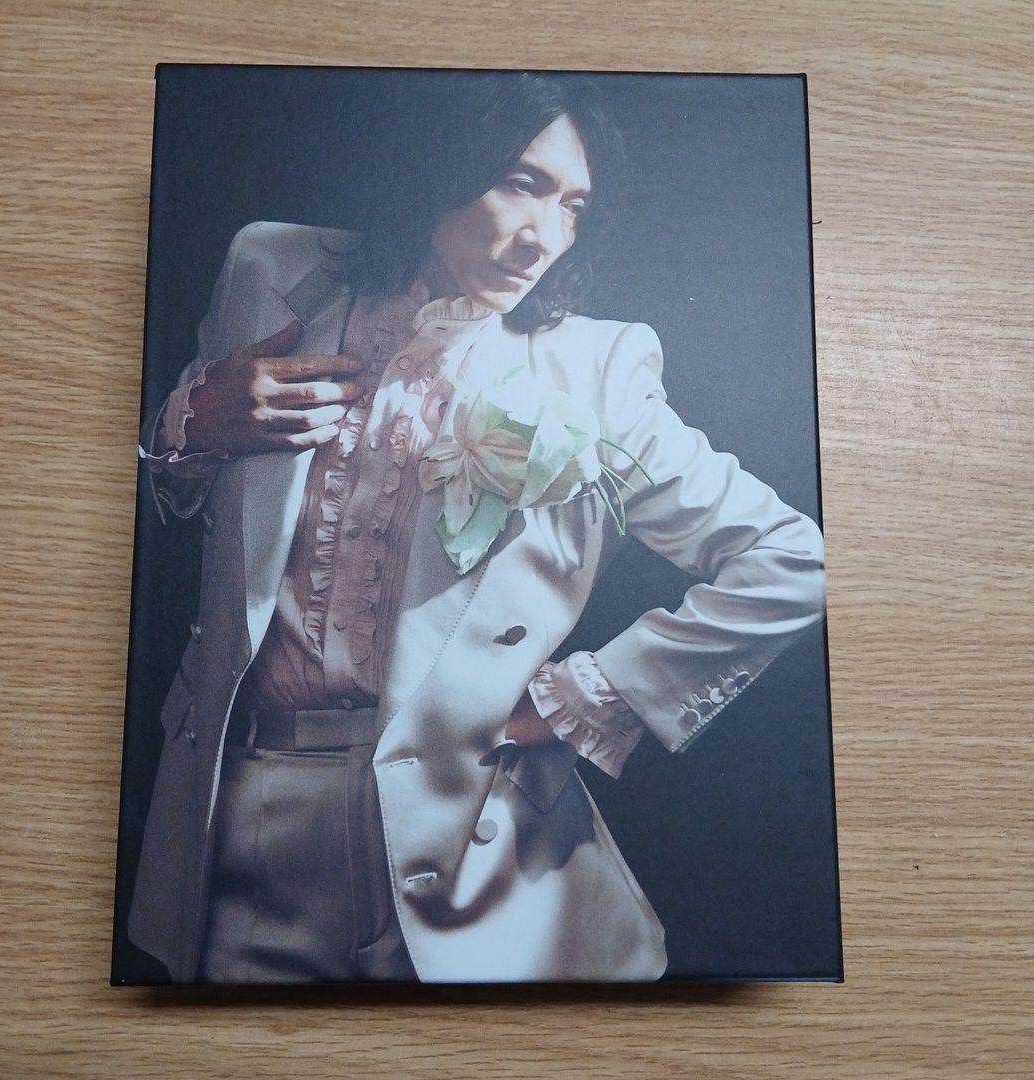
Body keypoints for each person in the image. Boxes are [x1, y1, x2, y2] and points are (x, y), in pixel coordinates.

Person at [127, 72, 826, 984]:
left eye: (574, 206)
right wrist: (190, 424)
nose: (546, 237)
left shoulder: (594, 369)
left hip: (482, 847)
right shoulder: (270, 272)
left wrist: (592, 697)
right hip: (242, 819)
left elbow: (792, 558)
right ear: (440, 163)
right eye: (522, 184)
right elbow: (176, 509)